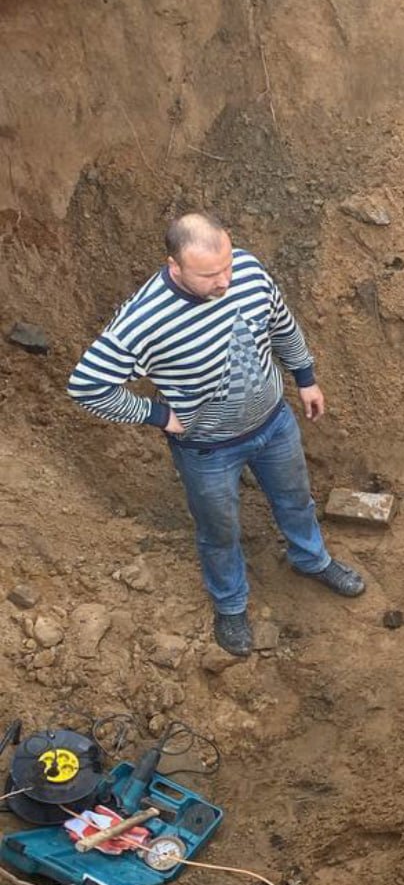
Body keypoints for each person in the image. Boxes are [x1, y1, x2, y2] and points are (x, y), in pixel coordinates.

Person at [67, 212, 364, 656]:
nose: (225, 280)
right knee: (218, 531)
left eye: (226, 265)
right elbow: (87, 385)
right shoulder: (144, 320)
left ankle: (312, 560)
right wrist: (155, 414)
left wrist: (305, 378)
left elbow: (281, 324)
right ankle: (231, 604)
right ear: (175, 267)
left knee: (295, 499)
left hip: (274, 423)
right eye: (209, 275)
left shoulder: (245, 269)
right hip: (208, 450)